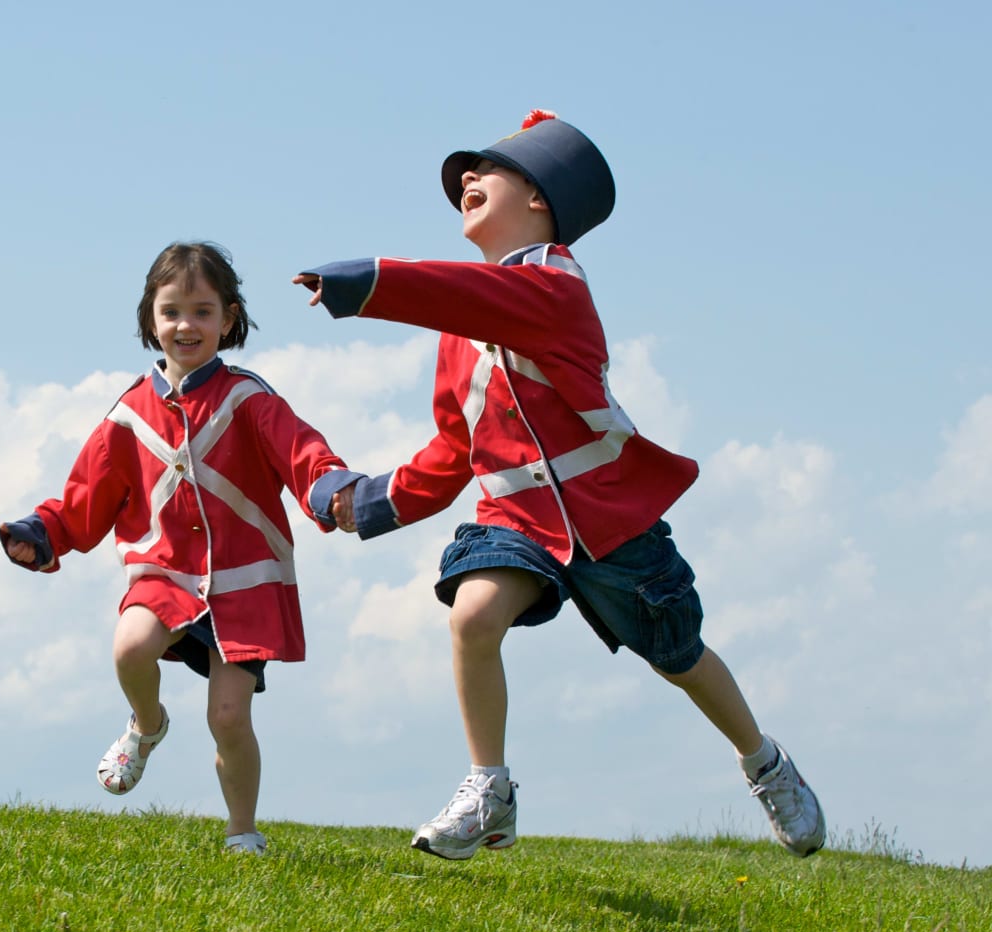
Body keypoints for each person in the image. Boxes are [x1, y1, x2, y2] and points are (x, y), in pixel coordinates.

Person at [294, 111, 825, 862]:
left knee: (680, 657)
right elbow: (453, 452)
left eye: (485, 172)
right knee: (472, 614)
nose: (465, 184)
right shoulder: (457, 330)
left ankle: (763, 763)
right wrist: (367, 503)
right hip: (513, 519)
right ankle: (490, 790)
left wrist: (367, 282)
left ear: (540, 202)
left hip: (612, 522)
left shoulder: (556, 286)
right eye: (460, 182)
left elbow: (474, 299)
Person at [2, 241, 360, 855]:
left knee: (228, 719)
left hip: (246, 583)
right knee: (130, 648)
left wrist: (331, 487)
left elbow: (302, 452)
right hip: (164, 572)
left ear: (229, 318)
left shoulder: (250, 398)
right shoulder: (129, 414)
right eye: (171, 311)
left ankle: (242, 832)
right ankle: (146, 726)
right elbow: (87, 493)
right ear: (150, 320)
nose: (185, 325)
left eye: (202, 310)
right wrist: (45, 531)